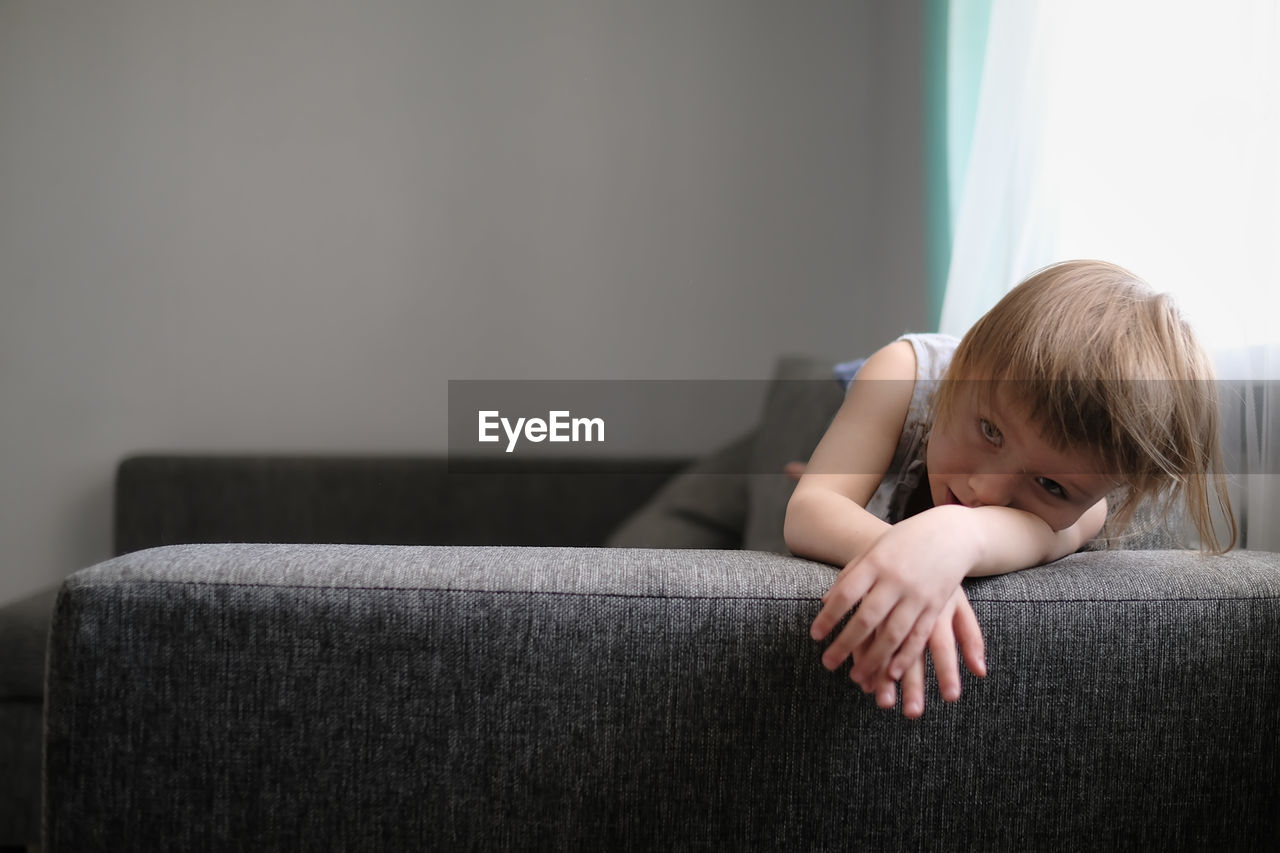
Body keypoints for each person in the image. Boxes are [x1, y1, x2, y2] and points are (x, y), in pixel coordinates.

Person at [784, 259, 1236, 718]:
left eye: (1049, 484)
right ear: (963, 363)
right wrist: (911, 557)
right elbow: (812, 509)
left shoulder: (1089, 506)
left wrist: (954, 534)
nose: (985, 490)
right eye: (990, 431)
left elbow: (1038, 537)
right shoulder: (903, 372)